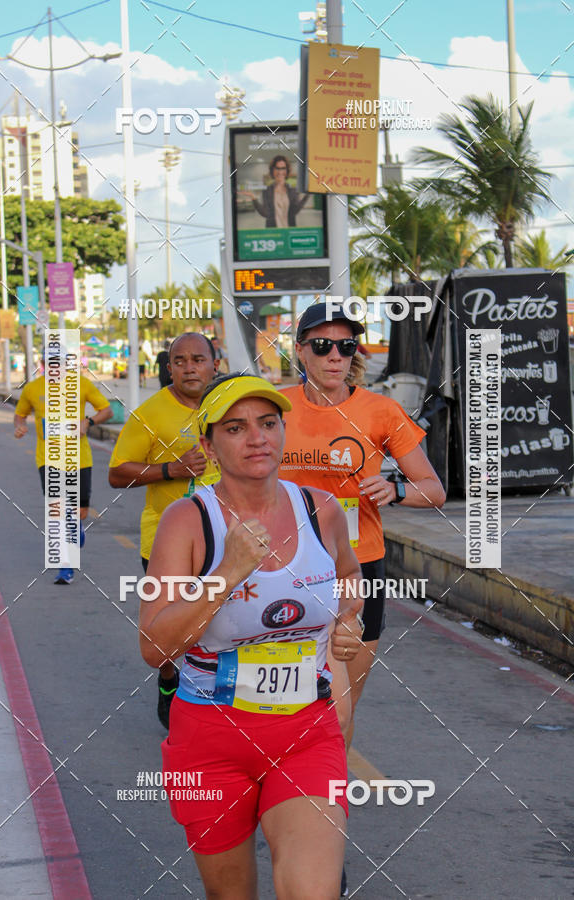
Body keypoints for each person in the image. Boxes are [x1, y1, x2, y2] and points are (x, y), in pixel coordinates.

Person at [139, 373, 363, 899]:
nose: (257, 438)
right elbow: (154, 648)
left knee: (313, 892)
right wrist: (227, 574)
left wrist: (347, 620)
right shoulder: (188, 521)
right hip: (210, 738)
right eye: (235, 428)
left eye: (267, 423)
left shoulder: (320, 509)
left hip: (307, 731)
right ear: (207, 444)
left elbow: (351, 578)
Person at [280, 302, 446, 739]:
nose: (335, 356)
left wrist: (397, 491)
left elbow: (434, 489)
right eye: (322, 345)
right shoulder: (275, 408)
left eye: (346, 345)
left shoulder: (381, 412)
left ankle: (330, 795)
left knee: (341, 705)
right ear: (301, 351)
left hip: (357, 568)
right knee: (281, 698)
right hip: (284, 565)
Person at [108, 333, 219, 728]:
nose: (190, 367)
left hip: (224, 543)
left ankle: (210, 706)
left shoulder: (228, 408)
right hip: (165, 544)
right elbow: (117, 473)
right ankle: (169, 674)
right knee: (171, 631)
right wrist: (172, 469)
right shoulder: (150, 414)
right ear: (168, 367)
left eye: (198, 359)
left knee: (217, 626)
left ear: (214, 364)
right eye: (180, 360)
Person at [13, 356, 113, 584]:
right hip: (47, 459)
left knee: (80, 512)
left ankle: (76, 527)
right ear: (43, 364)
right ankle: (65, 567)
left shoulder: (82, 384)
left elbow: (106, 410)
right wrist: (19, 426)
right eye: (50, 362)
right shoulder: (32, 388)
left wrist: (88, 422)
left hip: (80, 459)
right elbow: (20, 414)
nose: (55, 367)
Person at [239, 155, 309, 228]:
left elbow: (294, 211)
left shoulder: (292, 191)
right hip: (273, 232)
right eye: (277, 168)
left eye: (283, 168)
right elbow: (265, 213)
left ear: (287, 170)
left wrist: (307, 196)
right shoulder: (267, 191)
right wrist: (253, 197)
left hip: (289, 230)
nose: (280, 172)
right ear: (272, 170)